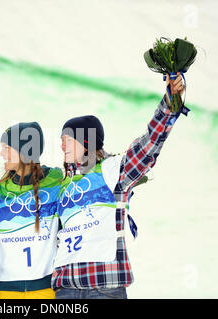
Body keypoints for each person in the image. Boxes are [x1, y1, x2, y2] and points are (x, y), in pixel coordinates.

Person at [52, 73, 186, 299]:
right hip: (66, 287)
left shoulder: (113, 170)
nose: (62, 143)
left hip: (104, 284)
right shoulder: (62, 184)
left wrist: (170, 102)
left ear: (87, 142)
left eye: (68, 138)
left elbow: (149, 145)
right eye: (61, 139)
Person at [0, 122, 63, 299]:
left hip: (45, 283)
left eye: (7, 148)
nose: (1, 154)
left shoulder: (56, 180)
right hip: (5, 285)